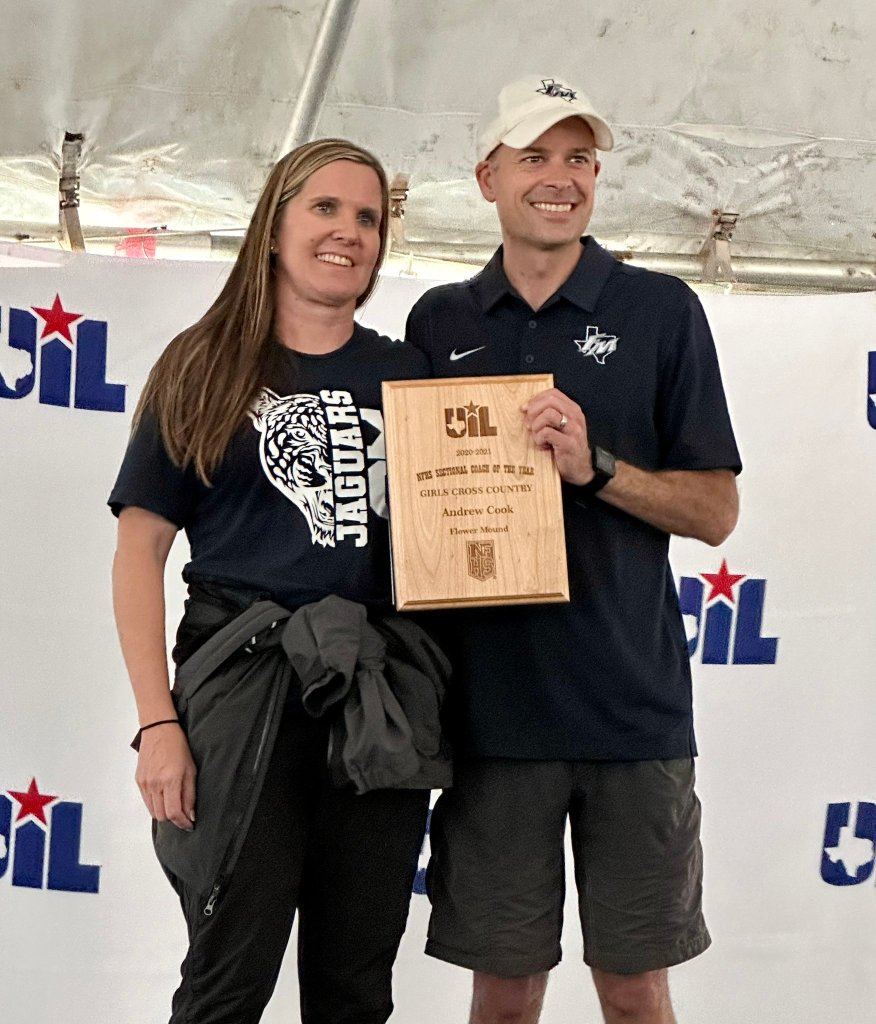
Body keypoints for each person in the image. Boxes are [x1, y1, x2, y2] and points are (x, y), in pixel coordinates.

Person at [405, 76, 742, 1024]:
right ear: (488, 178)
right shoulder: (440, 320)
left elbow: (716, 510)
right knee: (505, 997)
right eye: (535, 157)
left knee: (634, 994)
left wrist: (597, 469)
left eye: (580, 158)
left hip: (632, 716)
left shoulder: (661, 309)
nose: (560, 178)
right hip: (491, 720)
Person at [110, 138, 448, 1024]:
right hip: (243, 686)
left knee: (355, 989)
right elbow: (140, 552)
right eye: (325, 208)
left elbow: (455, 538)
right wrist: (157, 723)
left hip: (374, 695)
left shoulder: (406, 376)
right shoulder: (204, 364)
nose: (349, 232)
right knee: (227, 981)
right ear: (273, 226)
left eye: (367, 217)